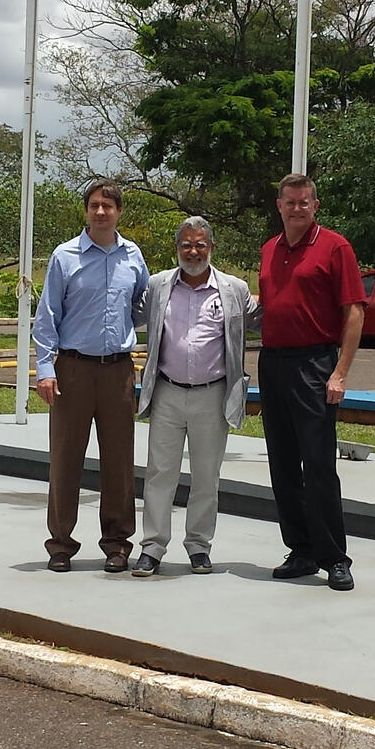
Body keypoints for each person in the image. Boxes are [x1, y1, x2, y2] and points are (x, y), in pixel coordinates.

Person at [131, 216, 259, 578]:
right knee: (159, 473)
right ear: (177, 248)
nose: (193, 251)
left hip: (212, 394)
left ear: (212, 248)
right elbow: (127, 315)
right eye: (186, 244)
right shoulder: (158, 286)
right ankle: (153, 547)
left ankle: (199, 546)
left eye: (200, 244)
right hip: (167, 392)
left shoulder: (233, 288)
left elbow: (265, 317)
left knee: (206, 476)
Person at [33, 180, 149, 573]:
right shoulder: (64, 257)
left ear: (119, 211)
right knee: (65, 459)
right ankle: (61, 544)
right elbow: (47, 318)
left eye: (109, 206)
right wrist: (45, 370)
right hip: (73, 370)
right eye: (95, 205)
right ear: (85, 210)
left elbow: (143, 305)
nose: (101, 212)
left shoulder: (132, 256)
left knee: (119, 463)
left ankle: (117, 543)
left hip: (117, 370)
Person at [257, 173, 366, 592]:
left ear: (315, 206)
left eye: (304, 203)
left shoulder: (335, 247)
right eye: (290, 202)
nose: (297, 208)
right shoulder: (270, 249)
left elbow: (354, 312)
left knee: (318, 464)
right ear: (279, 205)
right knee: (282, 464)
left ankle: (334, 556)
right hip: (273, 364)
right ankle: (300, 549)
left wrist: (340, 371)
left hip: (314, 364)